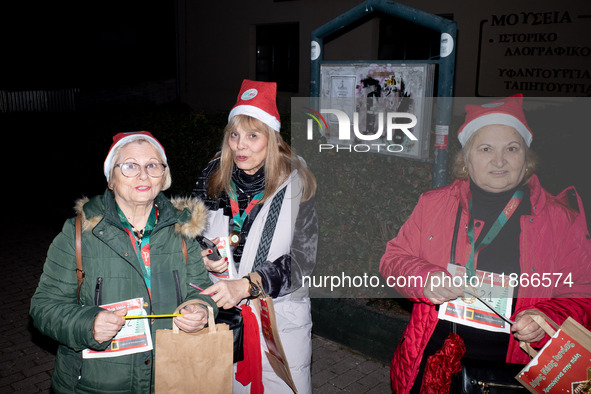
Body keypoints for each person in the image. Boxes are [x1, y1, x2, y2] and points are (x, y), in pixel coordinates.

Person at [379, 94, 591, 393]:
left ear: (526, 157)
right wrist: (425, 279)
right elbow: (393, 260)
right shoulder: (433, 204)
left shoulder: (561, 221)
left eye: (512, 148)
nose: (500, 160)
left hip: (514, 372)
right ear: (466, 158)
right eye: (486, 148)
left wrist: (547, 318)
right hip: (433, 362)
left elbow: (582, 294)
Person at [30, 131, 217, 393]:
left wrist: (199, 310)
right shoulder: (79, 234)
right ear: (111, 179)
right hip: (96, 385)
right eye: (130, 166)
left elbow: (202, 291)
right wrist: (88, 324)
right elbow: (44, 307)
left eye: (152, 165)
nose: (143, 175)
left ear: (163, 177)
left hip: (171, 377)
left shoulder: (182, 231)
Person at [192, 79, 318, 393]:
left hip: (278, 321)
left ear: (272, 138)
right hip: (222, 315)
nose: (240, 145)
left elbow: (304, 262)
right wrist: (204, 252)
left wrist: (248, 285)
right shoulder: (213, 176)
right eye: (234, 134)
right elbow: (189, 231)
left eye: (252, 135)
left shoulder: (297, 183)